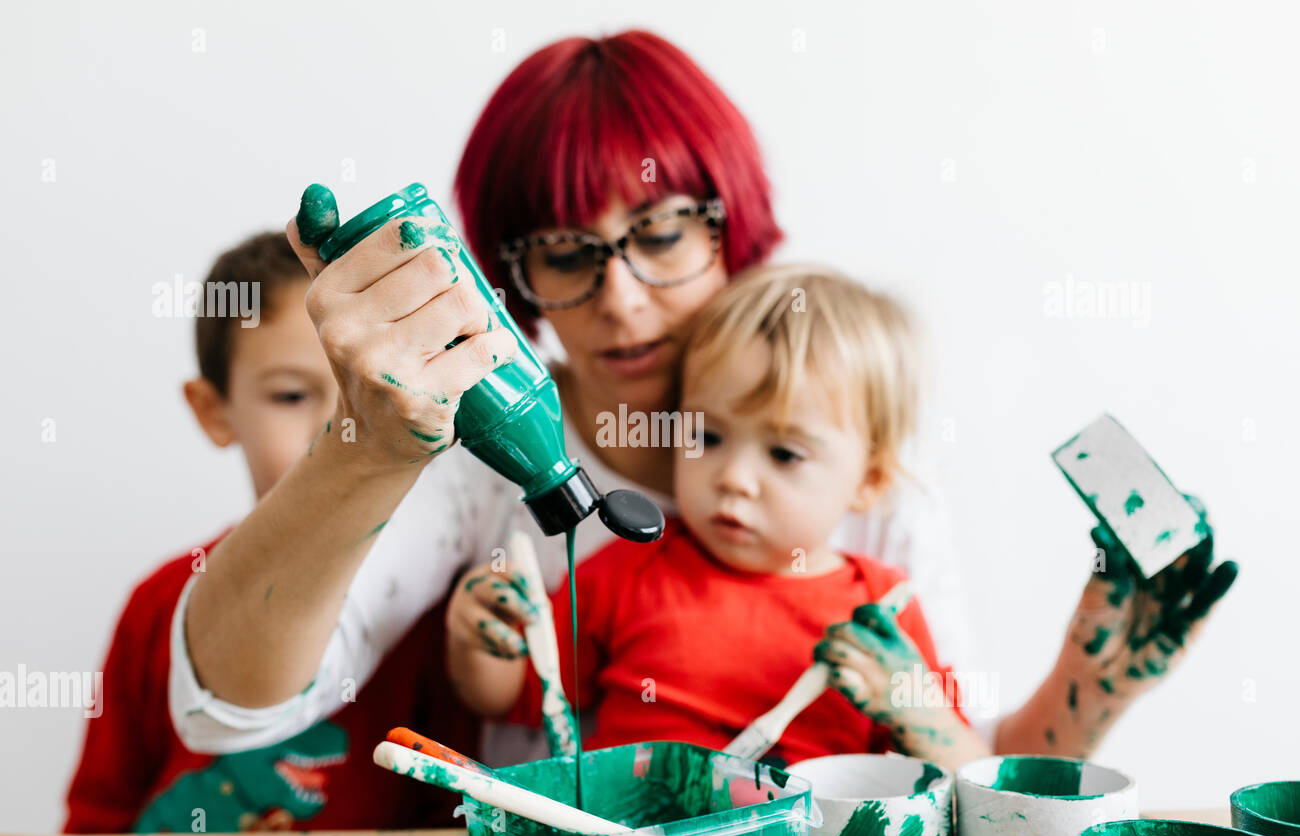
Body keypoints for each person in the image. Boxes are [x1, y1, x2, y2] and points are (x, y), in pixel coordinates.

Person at [171, 30, 1235, 770]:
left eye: (663, 231)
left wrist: (1092, 686)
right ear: (512, 272)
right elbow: (227, 708)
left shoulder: (863, 471)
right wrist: (364, 445)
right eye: (565, 250)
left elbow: (961, 777)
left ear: (734, 224)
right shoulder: (466, 462)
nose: (621, 299)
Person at [447, 265, 990, 773]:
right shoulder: (632, 568)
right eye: (707, 437)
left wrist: (915, 714)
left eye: (784, 455)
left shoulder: (882, 611)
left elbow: (959, 778)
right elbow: (517, 696)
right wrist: (478, 638)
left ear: (870, 480)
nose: (734, 478)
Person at [64, 232, 478, 832]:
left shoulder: (434, 606)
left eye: (368, 391)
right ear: (213, 410)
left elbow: (461, 811)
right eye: (291, 394)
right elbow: (95, 823)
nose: (343, 424)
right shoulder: (160, 604)